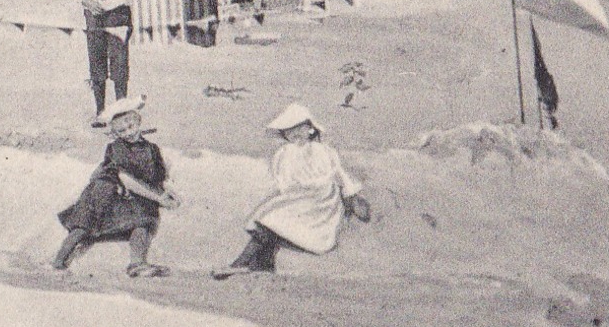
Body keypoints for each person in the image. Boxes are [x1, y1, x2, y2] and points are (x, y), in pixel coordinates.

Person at [213, 103, 371, 279]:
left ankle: (240, 264)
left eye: (298, 128)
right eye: (288, 130)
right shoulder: (284, 153)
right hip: (296, 199)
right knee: (267, 221)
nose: (293, 133)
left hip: (321, 202)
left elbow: (340, 175)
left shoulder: (323, 150)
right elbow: (283, 182)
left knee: (271, 222)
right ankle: (263, 265)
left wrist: (351, 196)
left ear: (310, 129)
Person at [53, 96, 180, 278]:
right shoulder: (117, 148)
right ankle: (58, 261)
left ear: (138, 123)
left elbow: (160, 176)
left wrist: (170, 193)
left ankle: (137, 263)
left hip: (131, 195)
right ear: (116, 134)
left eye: (131, 127)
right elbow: (125, 179)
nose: (129, 133)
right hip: (105, 192)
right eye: (122, 131)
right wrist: (158, 198)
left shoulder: (152, 148)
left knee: (143, 221)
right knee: (83, 226)